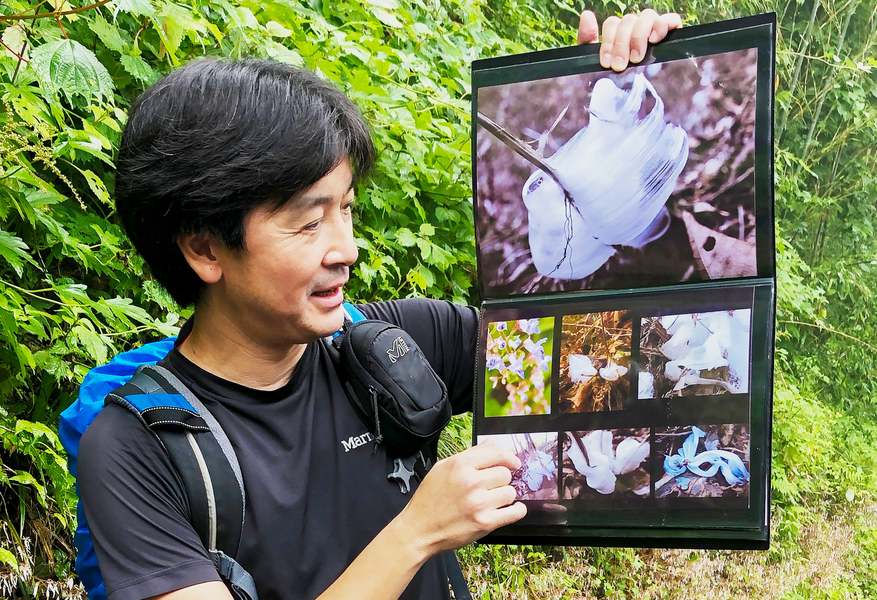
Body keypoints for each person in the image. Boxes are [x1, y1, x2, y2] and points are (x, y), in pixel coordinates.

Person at [76, 9, 683, 600]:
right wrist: (418, 532)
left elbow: (610, 349)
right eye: (309, 223)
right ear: (205, 248)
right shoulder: (136, 450)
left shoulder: (393, 343)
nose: (348, 249)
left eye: (347, 209)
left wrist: (612, 103)